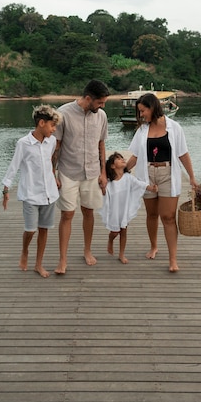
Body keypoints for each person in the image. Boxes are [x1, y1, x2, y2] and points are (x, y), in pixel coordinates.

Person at [126, 93, 198, 273]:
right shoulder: (142, 131)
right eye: (140, 112)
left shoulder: (174, 128)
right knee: (151, 214)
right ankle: (153, 246)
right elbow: (134, 156)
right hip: (147, 174)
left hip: (168, 174)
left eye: (143, 111)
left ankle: (173, 259)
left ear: (152, 107)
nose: (141, 115)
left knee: (168, 217)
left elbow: (183, 154)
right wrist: (122, 171)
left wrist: (192, 177)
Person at [53, 79, 110, 274]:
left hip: (92, 172)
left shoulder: (101, 116)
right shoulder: (63, 114)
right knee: (67, 214)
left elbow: (101, 145)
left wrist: (103, 173)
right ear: (88, 98)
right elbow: (56, 147)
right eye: (100, 102)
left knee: (88, 212)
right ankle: (62, 259)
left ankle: (87, 250)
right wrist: (53, 173)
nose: (102, 106)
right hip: (68, 171)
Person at [2, 104, 61, 278]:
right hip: (30, 193)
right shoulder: (23, 143)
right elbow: (14, 166)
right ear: (41, 123)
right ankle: (25, 251)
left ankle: (38, 264)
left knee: (44, 229)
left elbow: (49, 162)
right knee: (31, 230)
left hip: (50, 193)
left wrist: (54, 176)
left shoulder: (51, 141)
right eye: (52, 125)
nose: (54, 129)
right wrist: (6, 190)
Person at [99, 151, 157, 264]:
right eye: (118, 158)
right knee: (115, 232)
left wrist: (151, 188)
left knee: (124, 230)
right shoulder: (110, 182)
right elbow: (103, 192)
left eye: (122, 157)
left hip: (124, 209)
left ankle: (121, 254)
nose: (122, 159)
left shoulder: (128, 178)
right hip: (113, 210)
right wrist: (101, 186)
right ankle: (110, 239)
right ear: (112, 165)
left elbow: (139, 184)